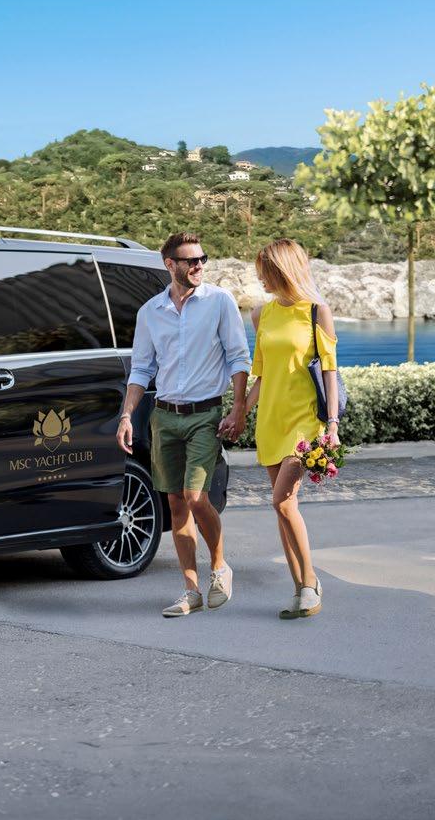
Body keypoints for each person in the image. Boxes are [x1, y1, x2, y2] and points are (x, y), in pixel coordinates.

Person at [116, 232, 250, 618]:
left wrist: (238, 409)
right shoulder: (150, 312)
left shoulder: (220, 302)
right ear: (170, 264)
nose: (199, 266)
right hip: (164, 417)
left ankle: (220, 567)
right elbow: (141, 369)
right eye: (191, 261)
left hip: (205, 415)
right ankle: (191, 590)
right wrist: (126, 415)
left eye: (202, 259)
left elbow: (239, 358)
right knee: (175, 504)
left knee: (195, 497)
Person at [243, 239, 340, 619]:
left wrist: (332, 426)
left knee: (281, 501)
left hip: (304, 422)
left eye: (265, 272)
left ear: (283, 271)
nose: (260, 279)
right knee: (284, 508)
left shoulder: (317, 312)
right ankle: (301, 588)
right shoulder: (260, 315)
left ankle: (310, 581)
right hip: (271, 421)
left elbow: (330, 371)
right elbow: (262, 374)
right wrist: (239, 413)